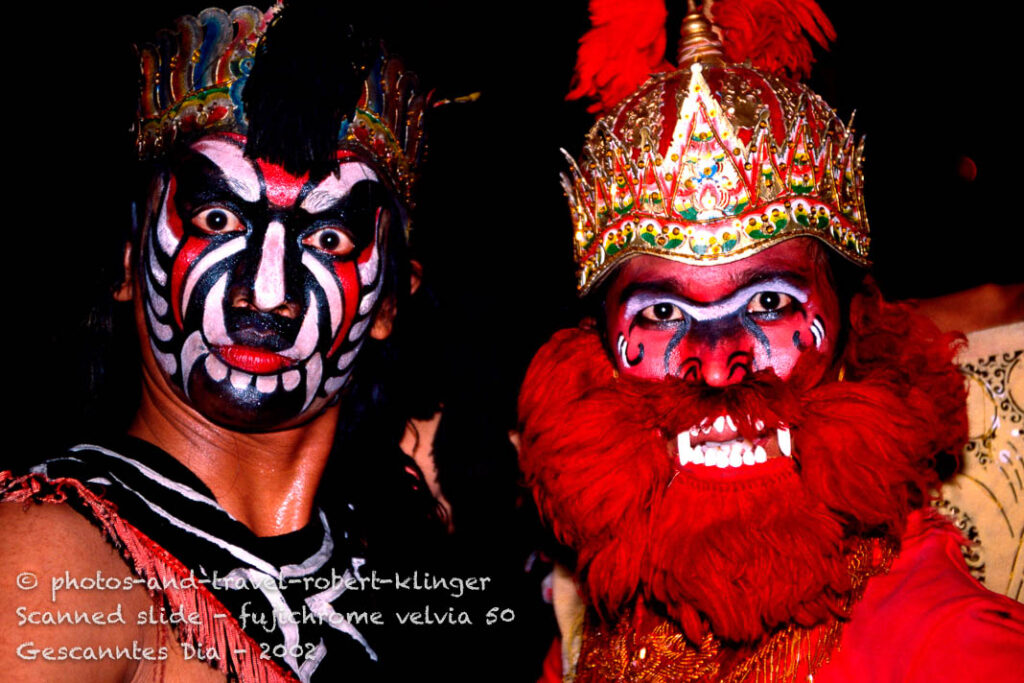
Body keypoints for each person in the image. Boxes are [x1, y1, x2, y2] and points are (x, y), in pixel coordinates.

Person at [517, 1, 1024, 681]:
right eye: (663, 314)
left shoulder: (949, 649)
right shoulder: (597, 625)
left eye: (770, 302)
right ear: (604, 350)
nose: (720, 362)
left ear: (851, 335)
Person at [0, 3, 444, 681]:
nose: (267, 293)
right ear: (126, 261)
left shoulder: (400, 565)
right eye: (216, 218)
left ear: (389, 302)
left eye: (328, 238)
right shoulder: (55, 552)